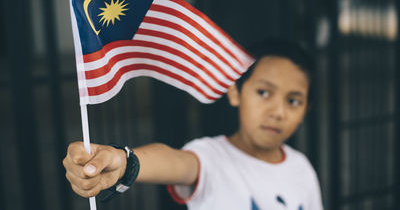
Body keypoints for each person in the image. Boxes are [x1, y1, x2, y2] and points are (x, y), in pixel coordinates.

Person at [63, 39, 324, 210]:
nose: (277, 111)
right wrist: (125, 161)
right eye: (263, 93)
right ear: (235, 92)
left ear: (305, 110)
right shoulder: (211, 157)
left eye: (293, 100)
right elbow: (176, 161)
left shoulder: (302, 169)